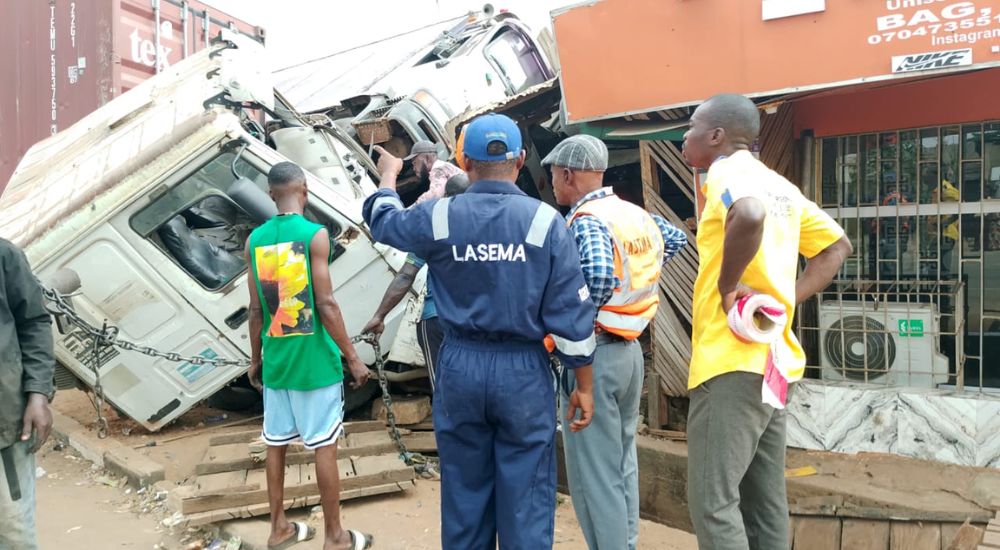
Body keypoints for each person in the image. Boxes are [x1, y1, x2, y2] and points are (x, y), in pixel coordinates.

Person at [363, 113, 598, 550]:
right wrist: (583, 384)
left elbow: (383, 221)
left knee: (465, 495)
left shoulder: (439, 217)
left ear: (464, 164)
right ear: (521, 159)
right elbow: (571, 316)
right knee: (526, 497)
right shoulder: (546, 222)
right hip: (523, 374)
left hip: (460, 367)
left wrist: (388, 177)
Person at [682, 94, 852, 550]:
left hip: (732, 362)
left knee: (711, 501)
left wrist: (726, 287)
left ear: (717, 136)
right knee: (764, 502)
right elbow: (837, 247)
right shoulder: (781, 185)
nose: (685, 134)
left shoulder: (727, 171)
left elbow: (749, 214)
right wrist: (785, 299)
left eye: (692, 125)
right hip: (774, 364)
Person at [542, 134, 688, 550]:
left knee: (594, 474)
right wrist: (635, 289)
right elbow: (672, 241)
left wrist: (576, 329)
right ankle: (625, 542)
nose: (552, 181)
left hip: (597, 355)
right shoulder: (633, 214)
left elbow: (600, 277)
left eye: (553, 174)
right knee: (622, 462)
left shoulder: (586, 219)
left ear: (567, 174)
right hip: (630, 352)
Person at [246, 162, 374, 550]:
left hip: (278, 361)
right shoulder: (316, 236)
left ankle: (279, 529)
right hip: (315, 363)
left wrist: (256, 360)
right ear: (304, 189)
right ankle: (335, 536)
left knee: (276, 443)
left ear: (271, 194)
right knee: (324, 445)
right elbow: (326, 304)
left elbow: (254, 310)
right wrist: (352, 357)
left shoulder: (255, 240)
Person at [361, 173, 472, 387]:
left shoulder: (435, 226)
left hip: (436, 320)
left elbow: (405, 275)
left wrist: (379, 316)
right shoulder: (485, 225)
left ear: (446, 195)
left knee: (444, 389)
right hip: (474, 319)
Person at [0, 239, 54, 550]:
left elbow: (33, 322)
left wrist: (38, 394)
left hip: (5, 426)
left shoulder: (4, 256)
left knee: (13, 532)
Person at [406, 140, 465, 204]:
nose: (414, 168)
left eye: (415, 163)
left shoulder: (438, 169)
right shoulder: (444, 165)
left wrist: (412, 208)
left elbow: (435, 195)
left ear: (427, 158)